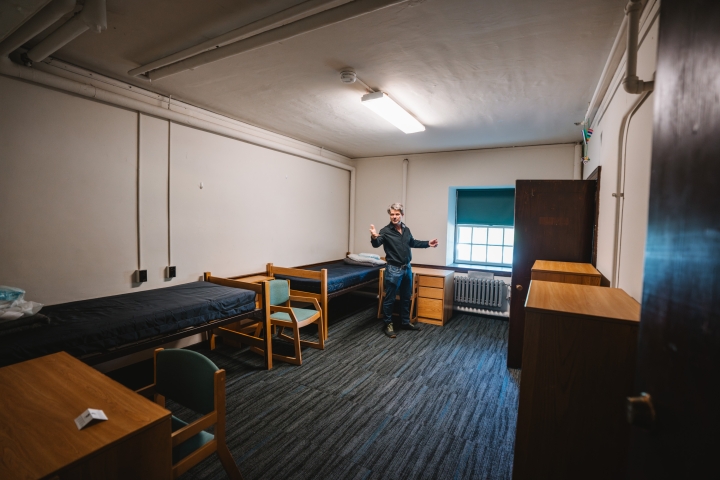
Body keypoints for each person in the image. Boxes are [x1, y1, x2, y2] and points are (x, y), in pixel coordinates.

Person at [370, 203, 439, 338]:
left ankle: (405, 322)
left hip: (407, 268)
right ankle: (388, 324)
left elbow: (412, 242)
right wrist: (373, 236)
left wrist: (427, 243)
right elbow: (376, 243)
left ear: (402, 214)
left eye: (397, 214)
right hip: (393, 269)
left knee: (406, 297)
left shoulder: (406, 229)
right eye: (392, 214)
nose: (394, 217)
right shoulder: (385, 231)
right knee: (390, 299)